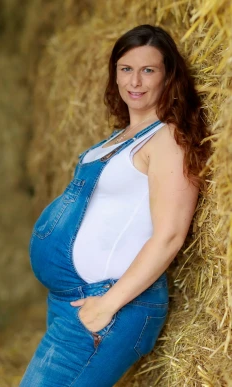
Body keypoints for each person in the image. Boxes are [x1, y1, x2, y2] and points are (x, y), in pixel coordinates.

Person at [19, 24, 210, 387]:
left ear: (168, 76)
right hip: (73, 303)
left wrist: (107, 304)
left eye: (148, 70)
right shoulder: (118, 138)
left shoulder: (167, 139)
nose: (135, 81)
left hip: (112, 305)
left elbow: (169, 235)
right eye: (126, 69)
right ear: (115, 74)